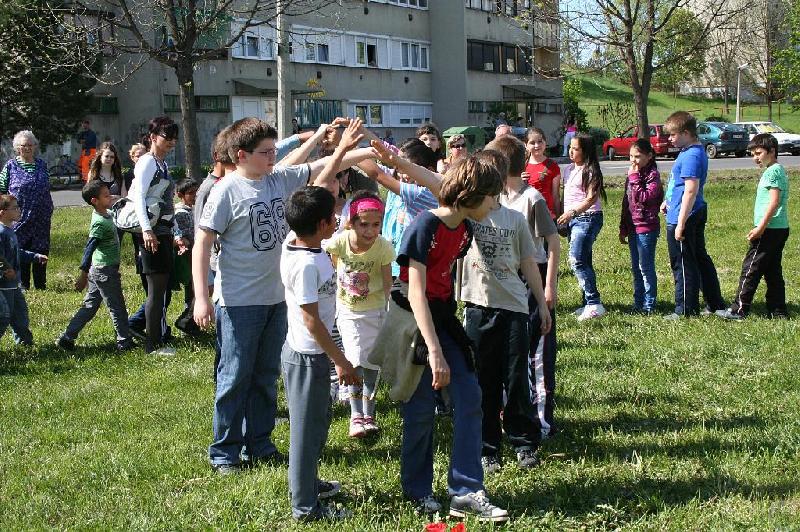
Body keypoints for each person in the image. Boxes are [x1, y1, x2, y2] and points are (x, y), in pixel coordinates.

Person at [192, 117, 373, 475]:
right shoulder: (226, 190)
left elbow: (321, 167)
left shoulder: (277, 179)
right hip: (239, 302)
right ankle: (225, 452)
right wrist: (201, 296)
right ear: (241, 155)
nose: (273, 156)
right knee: (235, 377)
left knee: (265, 375)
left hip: (278, 301)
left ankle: (259, 444)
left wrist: (364, 151)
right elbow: (202, 242)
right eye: (266, 152)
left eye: (274, 150)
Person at [369, 150, 509, 523]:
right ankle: (418, 490)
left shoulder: (463, 226)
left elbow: (437, 182)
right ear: (472, 195)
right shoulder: (424, 227)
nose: (495, 204)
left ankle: (466, 491)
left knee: (470, 397)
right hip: (414, 325)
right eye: (491, 197)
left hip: (444, 321)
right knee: (419, 412)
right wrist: (434, 352)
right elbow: (415, 293)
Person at [456, 149, 552, 475]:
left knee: (516, 379)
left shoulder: (515, 219)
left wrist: (541, 303)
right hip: (478, 308)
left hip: (514, 308)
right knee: (484, 381)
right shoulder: (467, 216)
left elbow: (528, 262)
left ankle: (524, 443)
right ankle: (488, 448)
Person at [280, 184, 361, 521]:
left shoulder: (297, 241)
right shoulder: (306, 266)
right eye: (333, 216)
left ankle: (309, 483)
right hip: (307, 357)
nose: (338, 218)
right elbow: (311, 321)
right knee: (304, 433)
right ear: (323, 224)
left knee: (317, 423)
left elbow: (311, 199)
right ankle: (305, 507)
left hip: (313, 354)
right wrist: (340, 361)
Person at [487, 135, 561, 440]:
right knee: (510, 350)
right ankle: (512, 413)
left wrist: (549, 287)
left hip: (534, 278)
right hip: (507, 279)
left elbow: (553, 243)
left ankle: (542, 420)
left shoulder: (532, 199)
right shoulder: (495, 198)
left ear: (502, 166)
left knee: (536, 352)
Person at [325, 190, 394, 438]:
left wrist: (390, 311)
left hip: (375, 311)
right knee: (355, 361)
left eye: (376, 224)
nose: (370, 230)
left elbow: (387, 283)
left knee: (372, 364)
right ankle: (355, 415)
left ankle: (369, 414)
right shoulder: (340, 242)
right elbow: (332, 260)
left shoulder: (383, 246)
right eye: (364, 224)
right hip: (349, 312)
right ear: (351, 223)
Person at [127, 116, 183, 355]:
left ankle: (155, 339)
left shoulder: (161, 163)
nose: (171, 141)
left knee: (162, 289)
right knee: (156, 290)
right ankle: (152, 344)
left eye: (174, 138)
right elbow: (138, 196)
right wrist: (147, 230)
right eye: (166, 137)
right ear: (152, 137)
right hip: (152, 233)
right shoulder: (148, 162)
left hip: (163, 230)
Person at [56, 181, 134, 351]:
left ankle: (67, 338)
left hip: (99, 269)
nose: (110, 197)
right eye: (106, 196)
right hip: (104, 271)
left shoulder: (107, 213)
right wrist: (83, 274)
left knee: (90, 305)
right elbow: (89, 248)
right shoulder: (99, 222)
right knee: (117, 306)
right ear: (94, 201)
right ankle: (124, 341)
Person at [662, 111, 726, 319]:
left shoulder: (691, 156)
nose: (669, 139)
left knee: (683, 263)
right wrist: (667, 201)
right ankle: (714, 303)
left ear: (686, 133)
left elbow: (690, 190)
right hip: (688, 210)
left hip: (685, 215)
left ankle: (685, 309)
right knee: (699, 258)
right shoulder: (691, 151)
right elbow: (679, 185)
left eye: (673, 135)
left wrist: (681, 223)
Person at [719, 134, 790, 320]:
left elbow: (774, 202)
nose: (755, 158)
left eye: (758, 153)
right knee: (772, 271)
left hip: (769, 229)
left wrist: (761, 228)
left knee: (751, 268)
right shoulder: (777, 170)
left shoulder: (772, 172)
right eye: (752, 154)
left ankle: (739, 309)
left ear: (772, 151)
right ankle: (778, 311)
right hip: (779, 228)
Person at [557, 133, 607, 321]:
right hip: (572, 220)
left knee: (576, 259)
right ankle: (588, 303)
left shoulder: (591, 171)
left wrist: (572, 212)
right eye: (570, 147)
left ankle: (594, 303)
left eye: (576, 148)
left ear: (585, 151)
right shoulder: (569, 169)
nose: (571, 151)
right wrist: (563, 216)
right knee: (584, 260)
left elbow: (591, 199)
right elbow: (565, 196)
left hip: (587, 218)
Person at [0, 130, 53, 290]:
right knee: (20, 249)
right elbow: (2, 191)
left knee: (41, 249)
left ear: (35, 146)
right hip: (19, 218)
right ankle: (23, 285)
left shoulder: (42, 165)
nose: (27, 148)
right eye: (23, 145)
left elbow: (47, 187)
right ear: (17, 147)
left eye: (30, 145)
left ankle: (41, 285)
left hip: (41, 218)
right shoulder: (11, 166)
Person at [619, 139, 663, 314]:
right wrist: (623, 226)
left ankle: (649, 304)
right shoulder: (632, 174)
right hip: (632, 226)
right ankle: (638, 303)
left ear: (649, 156)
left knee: (645, 267)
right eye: (631, 156)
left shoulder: (653, 175)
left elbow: (644, 197)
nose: (633, 160)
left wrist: (635, 178)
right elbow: (627, 201)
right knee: (636, 268)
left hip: (646, 227)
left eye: (637, 156)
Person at [0, 194, 47, 345]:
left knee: (20, 314)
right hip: (4, 285)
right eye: (15, 208)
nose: (19, 210)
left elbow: (16, 252)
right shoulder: (1, 233)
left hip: (15, 283)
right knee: (4, 316)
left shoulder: (10, 231)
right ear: (3, 212)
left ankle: (24, 342)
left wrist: (35, 256)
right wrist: (5, 269)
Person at [172, 178, 201, 336]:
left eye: (196, 192)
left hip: (195, 253)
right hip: (188, 256)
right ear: (180, 195)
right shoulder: (181, 213)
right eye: (191, 193)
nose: (195, 195)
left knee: (194, 290)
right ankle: (186, 321)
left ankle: (191, 323)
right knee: (193, 290)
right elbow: (182, 237)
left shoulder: (192, 209)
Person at [523, 127, 561, 219]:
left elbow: (555, 195)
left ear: (545, 142)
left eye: (540, 141)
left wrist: (558, 217)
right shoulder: (521, 166)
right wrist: (518, 181)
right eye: (532, 143)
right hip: (526, 215)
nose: (537, 145)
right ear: (525, 145)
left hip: (547, 215)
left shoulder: (552, 166)